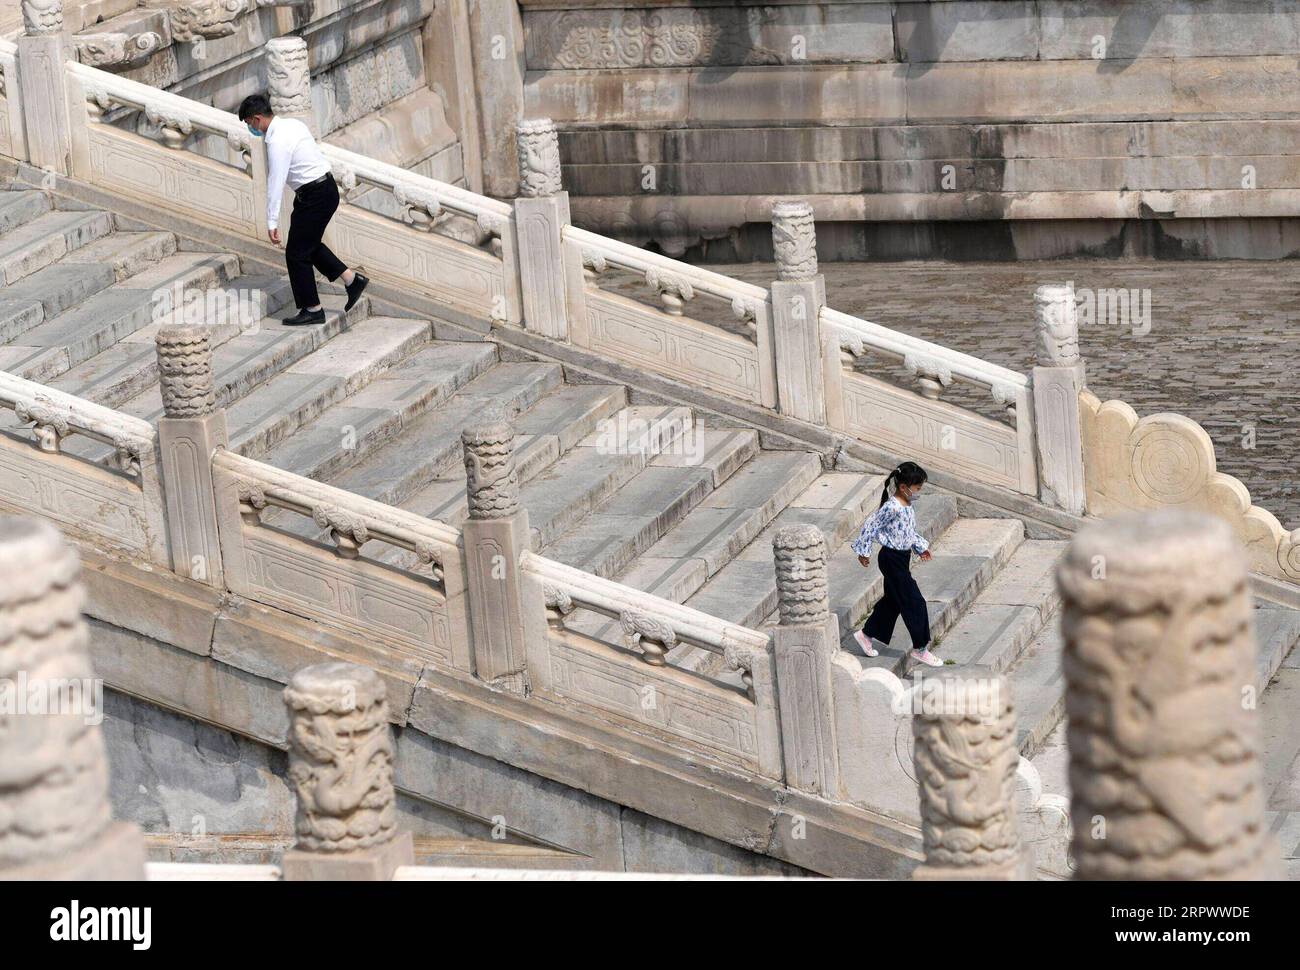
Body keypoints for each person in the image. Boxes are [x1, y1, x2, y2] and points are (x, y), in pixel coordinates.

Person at [238, 94, 368, 326]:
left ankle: (313, 309)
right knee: (307, 244)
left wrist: (271, 222)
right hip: (323, 189)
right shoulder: (292, 124)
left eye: (249, 123)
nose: (251, 128)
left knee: (297, 253)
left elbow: (276, 181)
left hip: (315, 195)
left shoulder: (277, 141)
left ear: (257, 119)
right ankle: (351, 280)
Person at [851, 461, 943, 668]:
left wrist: (920, 547)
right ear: (904, 487)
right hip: (891, 559)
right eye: (917, 488)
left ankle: (866, 634)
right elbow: (871, 525)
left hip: (901, 558)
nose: (919, 492)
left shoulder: (907, 506)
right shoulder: (892, 507)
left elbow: (907, 533)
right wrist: (864, 551)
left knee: (893, 601)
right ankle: (920, 648)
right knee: (915, 601)